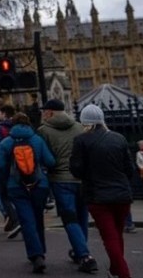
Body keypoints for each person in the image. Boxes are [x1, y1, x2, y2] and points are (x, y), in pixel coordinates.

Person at [70, 105, 134, 278]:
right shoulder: (119, 138)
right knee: (117, 235)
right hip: (122, 196)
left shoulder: (81, 140)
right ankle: (115, 270)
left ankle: (123, 274)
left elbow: (76, 169)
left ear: (84, 122)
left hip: (98, 197)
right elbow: (129, 169)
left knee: (109, 238)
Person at [36, 99, 97, 273]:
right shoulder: (79, 127)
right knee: (82, 216)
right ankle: (79, 251)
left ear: (50, 113)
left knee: (69, 218)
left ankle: (85, 255)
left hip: (61, 179)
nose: (43, 114)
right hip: (81, 179)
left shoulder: (43, 131)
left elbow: (45, 158)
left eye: (44, 111)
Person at [0, 112, 56, 274]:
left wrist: (5, 184)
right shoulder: (37, 140)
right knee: (38, 218)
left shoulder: (6, 143)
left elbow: (1, 166)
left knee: (26, 220)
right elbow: (50, 161)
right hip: (39, 184)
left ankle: (36, 255)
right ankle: (41, 251)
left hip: (16, 186)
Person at [0, 104, 21, 238]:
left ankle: (14, 218)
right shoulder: (18, 127)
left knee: (4, 195)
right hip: (20, 164)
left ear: (3, 113)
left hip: (5, 166)